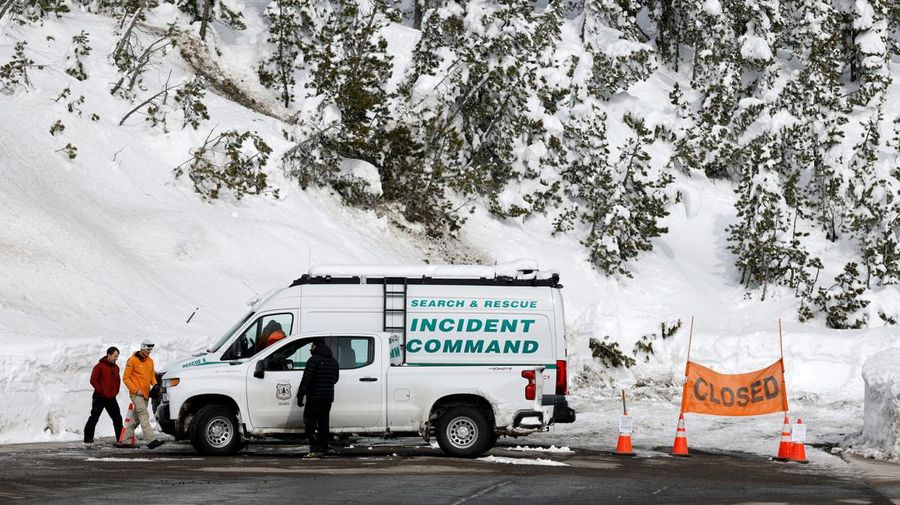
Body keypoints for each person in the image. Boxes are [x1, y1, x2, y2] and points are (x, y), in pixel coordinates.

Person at [116, 340, 164, 449]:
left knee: (135, 419)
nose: (149, 352)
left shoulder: (150, 361)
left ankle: (125, 441)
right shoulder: (132, 360)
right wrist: (136, 390)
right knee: (144, 415)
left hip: (146, 394)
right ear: (142, 348)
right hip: (136, 394)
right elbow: (126, 378)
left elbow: (151, 376)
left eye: (150, 350)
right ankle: (151, 440)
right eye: (147, 349)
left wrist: (155, 385)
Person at [297, 338, 339, 457]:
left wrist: (300, 396)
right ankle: (324, 446)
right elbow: (335, 379)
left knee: (309, 422)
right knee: (323, 424)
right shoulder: (333, 361)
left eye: (311, 346)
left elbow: (306, 380)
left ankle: (315, 447)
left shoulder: (313, 360)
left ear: (316, 346)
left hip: (314, 398)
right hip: (328, 399)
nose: (310, 348)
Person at [83, 346, 123, 444]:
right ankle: (88, 439)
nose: (116, 358)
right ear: (108, 355)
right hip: (99, 397)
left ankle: (121, 440)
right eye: (115, 356)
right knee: (94, 417)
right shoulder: (99, 366)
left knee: (117, 418)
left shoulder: (116, 368)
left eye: (117, 356)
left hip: (111, 398)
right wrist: (101, 391)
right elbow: (93, 380)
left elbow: (118, 381)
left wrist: (115, 392)